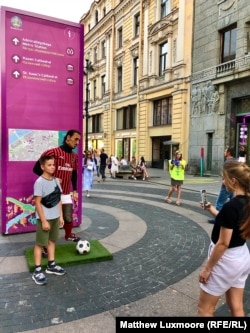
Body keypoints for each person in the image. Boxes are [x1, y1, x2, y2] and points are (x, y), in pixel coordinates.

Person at [198, 160, 250, 316]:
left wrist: (207, 269)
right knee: (237, 307)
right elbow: (231, 223)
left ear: (233, 181)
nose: (222, 182)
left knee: (204, 309)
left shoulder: (230, 206)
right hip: (241, 256)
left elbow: (223, 243)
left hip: (225, 261)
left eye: (224, 178)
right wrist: (211, 209)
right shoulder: (246, 203)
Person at [33, 129, 81, 252]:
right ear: (68, 138)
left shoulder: (74, 156)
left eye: (79, 140)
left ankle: (68, 234)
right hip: (50, 193)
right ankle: (44, 246)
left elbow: (74, 173)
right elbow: (36, 168)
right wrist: (53, 178)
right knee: (49, 221)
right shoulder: (53, 152)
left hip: (65, 192)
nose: (77, 142)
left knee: (68, 217)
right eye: (76, 139)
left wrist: (75, 189)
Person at [32, 156, 66, 285]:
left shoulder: (56, 181)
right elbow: (38, 203)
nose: (53, 167)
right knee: (40, 244)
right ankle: (37, 270)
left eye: (53, 164)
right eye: (49, 165)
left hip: (55, 217)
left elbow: (58, 200)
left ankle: (51, 265)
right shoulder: (39, 182)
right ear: (42, 167)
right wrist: (44, 220)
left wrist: (61, 216)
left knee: (52, 241)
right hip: (44, 218)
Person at [208, 147, 236, 224]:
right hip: (234, 185)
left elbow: (226, 174)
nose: (224, 152)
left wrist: (224, 181)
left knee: (219, 203)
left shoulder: (227, 162)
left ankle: (218, 219)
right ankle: (233, 217)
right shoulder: (235, 161)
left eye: (225, 151)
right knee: (233, 202)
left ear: (228, 153)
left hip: (226, 185)